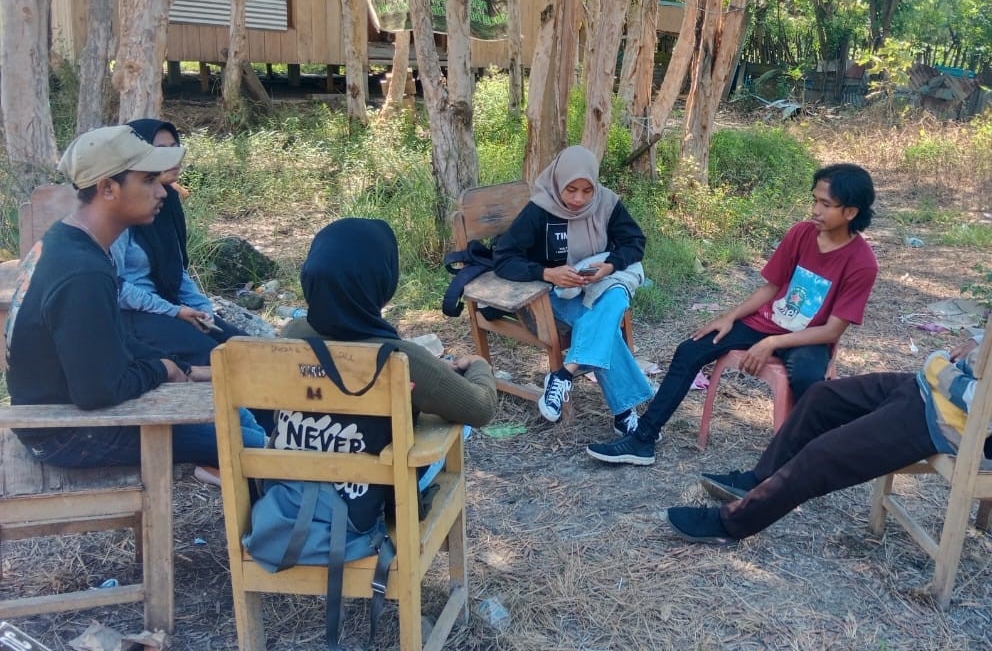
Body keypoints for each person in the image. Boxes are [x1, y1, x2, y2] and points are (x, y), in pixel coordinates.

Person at [663, 222, 992, 544]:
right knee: (821, 398)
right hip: (930, 394)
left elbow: (978, 399)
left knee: (822, 455)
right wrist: (968, 349)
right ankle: (758, 479)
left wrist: (937, 365)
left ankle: (732, 523)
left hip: (948, 420)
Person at [4, 125, 265, 469]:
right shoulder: (84, 272)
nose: (162, 192)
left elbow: (110, 341)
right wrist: (162, 368)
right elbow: (96, 392)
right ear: (108, 188)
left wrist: (183, 369)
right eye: (148, 181)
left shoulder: (70, 241)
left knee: (242, 416)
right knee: (253, 443)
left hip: (68, 412)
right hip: (65, 434)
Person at [587, 163, 879, 466]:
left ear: (851, 212)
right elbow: (771, 287)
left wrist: (772, 344)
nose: (816, 210)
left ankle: (800, 461)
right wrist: (729, 317)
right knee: (690, 350)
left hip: (808, 338)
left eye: (826, 204)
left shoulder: (862, 262)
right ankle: (642, 439)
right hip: (766, 322)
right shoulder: (801, 234)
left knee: (808, 379)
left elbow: (832, 331)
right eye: (815, 200)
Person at [276, 218, 498, 529]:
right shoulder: (402, 358)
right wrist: (479, 365)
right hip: (366, 506)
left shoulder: (290, 337)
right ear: (383, 282)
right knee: (462, 426)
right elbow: (481, 407)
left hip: (289, 496)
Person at [493, 145, 652, 429]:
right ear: (558, 182)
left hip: (598, 283)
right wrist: (548, 273)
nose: (579, 199)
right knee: (601, 325)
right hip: (552, 295)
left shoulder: (607, 203)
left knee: (615, 294)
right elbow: (504, 258)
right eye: (571, 190)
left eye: (586, 190)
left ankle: (564, 374)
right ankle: (625, 413)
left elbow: (634, 242)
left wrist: (610, 266)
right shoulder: (539, 210)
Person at [110, 119, 246, 366]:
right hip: (133, 316)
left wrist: (203, 309)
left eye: (175, 147)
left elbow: (176, 267)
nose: (173, 156)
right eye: (161, 149)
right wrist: (174, 311)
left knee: (247, 348)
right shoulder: (122, 209)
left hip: (169, 306)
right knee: (219, 360)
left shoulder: (168, 199)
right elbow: (113, 286)